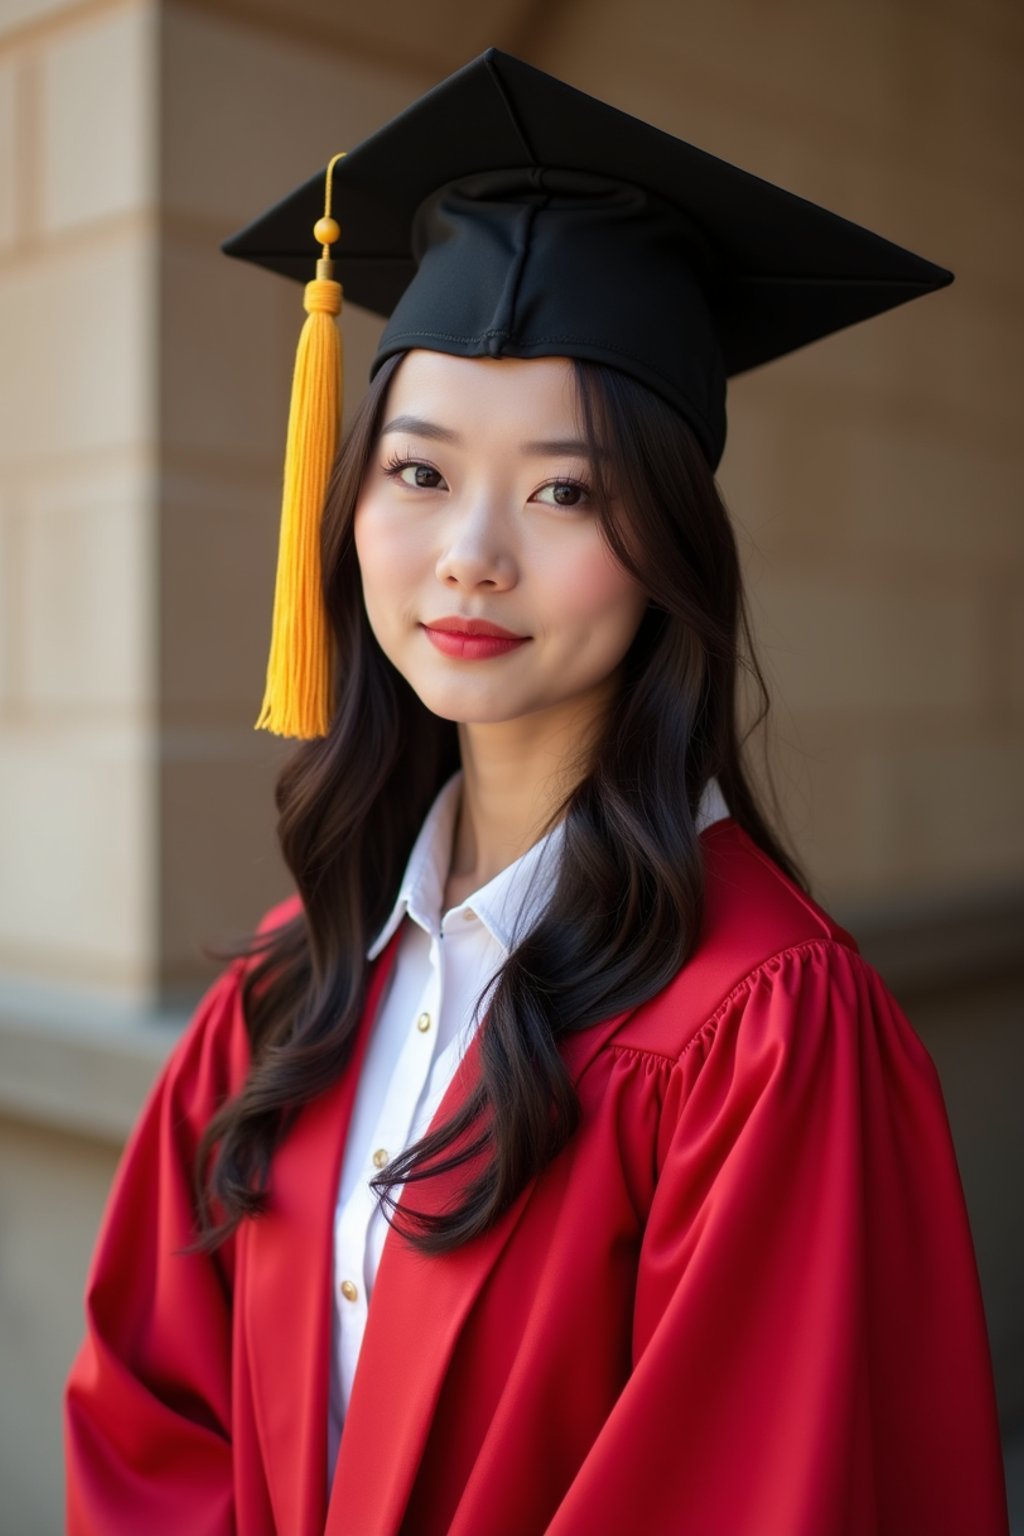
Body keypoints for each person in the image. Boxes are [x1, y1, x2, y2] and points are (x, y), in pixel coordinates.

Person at [64, 48, 1009, 1536]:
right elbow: (150, 1417)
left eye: (565, 490)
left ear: (670, 552)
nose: (470, 554)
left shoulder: (763, 1034)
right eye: (420, 472)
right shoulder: (293, 984)